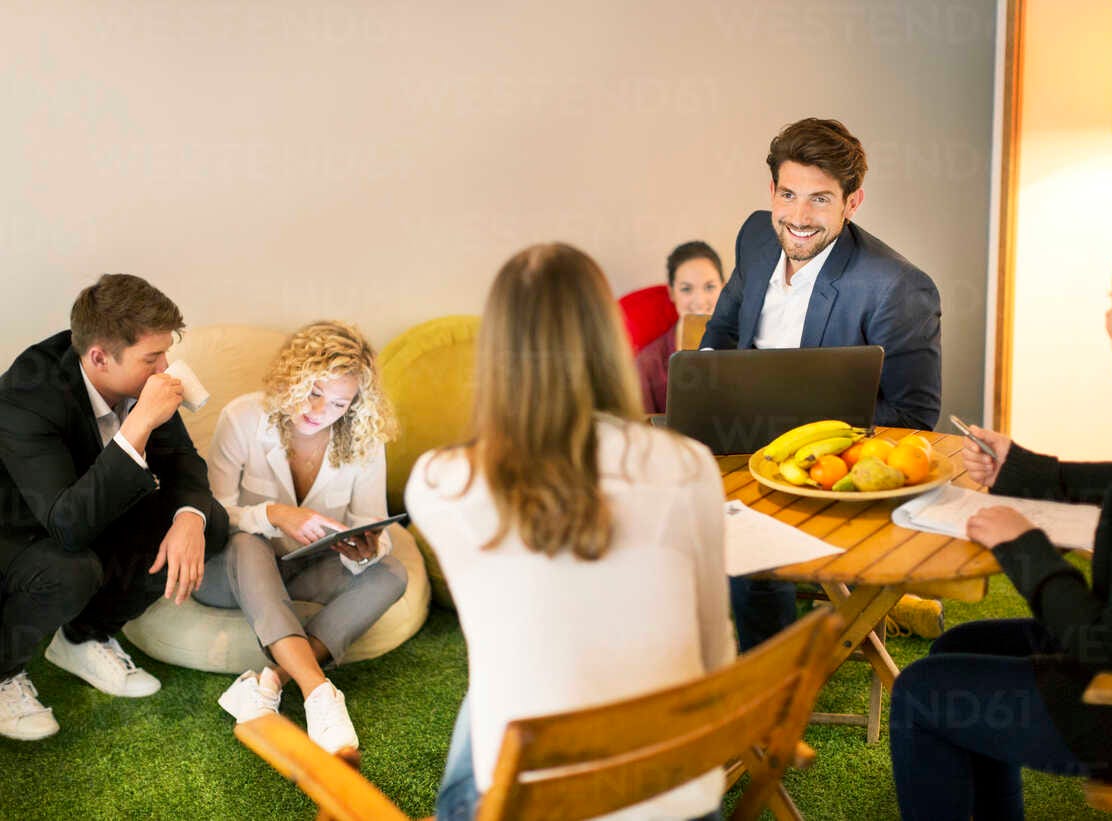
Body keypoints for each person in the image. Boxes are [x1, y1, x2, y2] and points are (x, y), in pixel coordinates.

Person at [890, 213, 1112, 820]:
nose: (1108, 318)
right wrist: (1026, 469)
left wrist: (1026, 548)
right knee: (959, 646)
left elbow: (1111, 648)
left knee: (919, 693)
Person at [406, 243, 734, 821]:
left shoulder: (438, 484)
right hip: (678, 799)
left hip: (527, 802)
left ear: (496, 350)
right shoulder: (690, 465)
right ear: (608, 338)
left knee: (490, 683)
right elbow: (713, 649)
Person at [704, 117, 943, 650]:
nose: (798, 217)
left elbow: (914, 416)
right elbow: (724, 326)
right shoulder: (755, 236)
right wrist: (706, 378)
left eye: (820, 199)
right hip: (730, 436)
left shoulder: (896, 287)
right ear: (772, 190)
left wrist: (801, 439)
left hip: (821, 467)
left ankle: (775, 679)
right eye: (788, 195)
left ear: (851, 203)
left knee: (749, 549)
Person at [0, 274, 229, 741]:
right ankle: (4, 672)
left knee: (209, 522)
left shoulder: (138, 379)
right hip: (19, 531)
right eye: (152, 358)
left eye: (166, 353)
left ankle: (82, 637)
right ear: (99, 358)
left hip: (90, 511)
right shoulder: (26, 397)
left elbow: (182, 460)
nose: (165, 369)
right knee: (71, 569)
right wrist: (140, 422)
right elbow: (67, 527)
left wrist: (189, 518)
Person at [194, 321, 408, 754]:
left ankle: (270, 681)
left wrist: (365, 552)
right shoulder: (243, 417)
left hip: (303, 570)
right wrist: (273, 514)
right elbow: (211, 514)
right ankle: (319, 694)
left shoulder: (363, 439)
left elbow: (372, 521)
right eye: (313, 392)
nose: (320, 411)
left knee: (391, 573)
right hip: (231, 573)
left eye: (338, 403)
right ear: (293, 378)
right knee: (247, 542)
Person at [636, 240, 725, 413]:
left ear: (724, 287)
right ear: (671, 293)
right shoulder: (648, 364)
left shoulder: (747, 346)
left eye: (710, 287)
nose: (700, 301)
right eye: (686, 289)